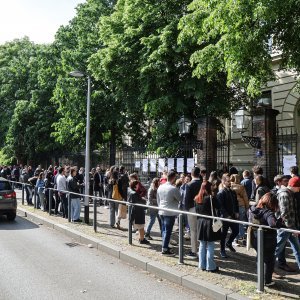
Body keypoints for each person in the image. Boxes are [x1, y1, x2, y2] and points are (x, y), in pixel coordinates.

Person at [249, 192, 285, 286]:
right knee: (269, 261)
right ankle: (267, 281)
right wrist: (280, 221)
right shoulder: (268, 213)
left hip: (255, 237)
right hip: (267, 240)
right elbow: (272, 224)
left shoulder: (253, 209)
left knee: (260, 258)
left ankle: (261, 278)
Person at [196, 181, 221, 272]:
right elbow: (219, 206)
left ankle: (201, 265)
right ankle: (210, 266)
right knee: (210, 244)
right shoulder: (211, 198)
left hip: (200, 222)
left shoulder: (197, 198)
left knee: (202, 244)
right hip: (209, 222)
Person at [275, 179, 300, 271]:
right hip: (285, 227)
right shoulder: (284, 194)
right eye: (298, 187)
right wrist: (292, 228)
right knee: (277, 248)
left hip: (290, 226)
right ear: (294, 186)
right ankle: (266, 267)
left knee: (297, 248)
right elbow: (284, 214)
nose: (299, 189)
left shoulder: (289, 193)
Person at [157, 171, 181, 256]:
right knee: (168, 231)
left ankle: (165, 245)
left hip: (161, 211)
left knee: (164, 230)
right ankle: (165, 249)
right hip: (169, 212)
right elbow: (180, 199)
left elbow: (158, 199)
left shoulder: (160, 187)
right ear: (174, 178)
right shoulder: (173, 188)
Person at [217, 174, 239, 258]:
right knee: (223, 234)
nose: (230, 182)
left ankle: (229, 243)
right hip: (224, 217)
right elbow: (220, 206)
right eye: (228, 181)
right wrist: (226, 215)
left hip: (233, 216)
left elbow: (236, 202)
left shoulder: (232, 191)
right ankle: (222, 250)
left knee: (236, 231)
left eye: (230, 181)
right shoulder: (221, 193)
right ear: (223, 182)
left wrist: (236, 211)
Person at [183, 167, 202, 259]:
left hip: (192, 208)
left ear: (191, 174)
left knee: (193, 231)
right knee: (200, 230)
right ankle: (202, 249)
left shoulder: (189, 185)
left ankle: (194, 251)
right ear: (199, 174)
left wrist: (186, 209)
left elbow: (187, 199)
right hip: (202, 209)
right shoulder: (203, 183)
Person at [128, 180, 150, 244]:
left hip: (135, 212)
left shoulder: (130, 190)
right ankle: (142, 239)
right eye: (138, 185)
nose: (139, 186)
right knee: (141, 226)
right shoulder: (134, 193)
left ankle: (141, 238)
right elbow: (138, 203)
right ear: (136, 185)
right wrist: (145, 203)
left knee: (140, 227)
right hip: (138, 212)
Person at [230, 174, 249, 244]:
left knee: (234, 223)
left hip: (233, 206)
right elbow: (245, 198)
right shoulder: (241, 187)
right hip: (241, 205)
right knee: (241, 222)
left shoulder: (230, 186)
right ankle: (243, 237)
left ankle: (235, 239)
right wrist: (247, 207)